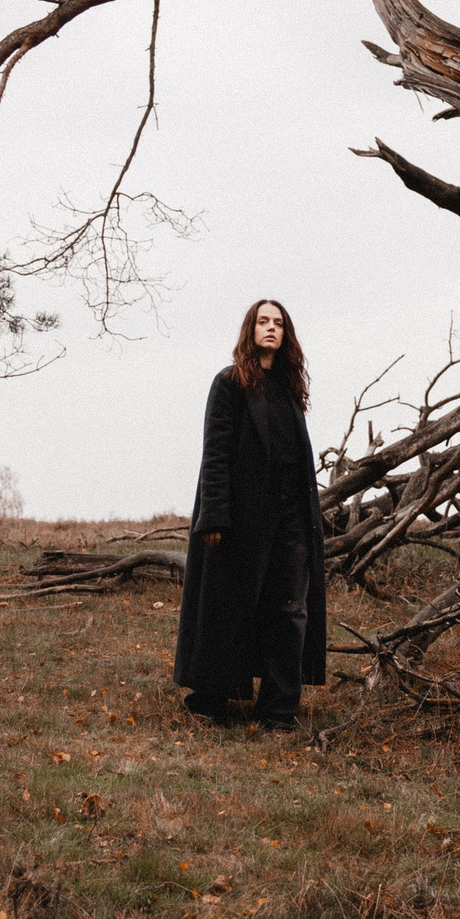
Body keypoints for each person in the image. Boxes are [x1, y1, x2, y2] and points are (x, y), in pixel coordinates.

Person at [171, 298, 328, 730]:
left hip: (292, 518)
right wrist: (215, 517)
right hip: (242, 518)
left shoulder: (289, 388)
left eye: (278, 323)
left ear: (287, 333)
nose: (271, 329)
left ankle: (279, 712)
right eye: (263, 322)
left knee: (291, 611)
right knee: (229, 607)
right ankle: (213, 698)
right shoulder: (229, 384)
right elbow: (215, 454)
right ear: (250, 329)